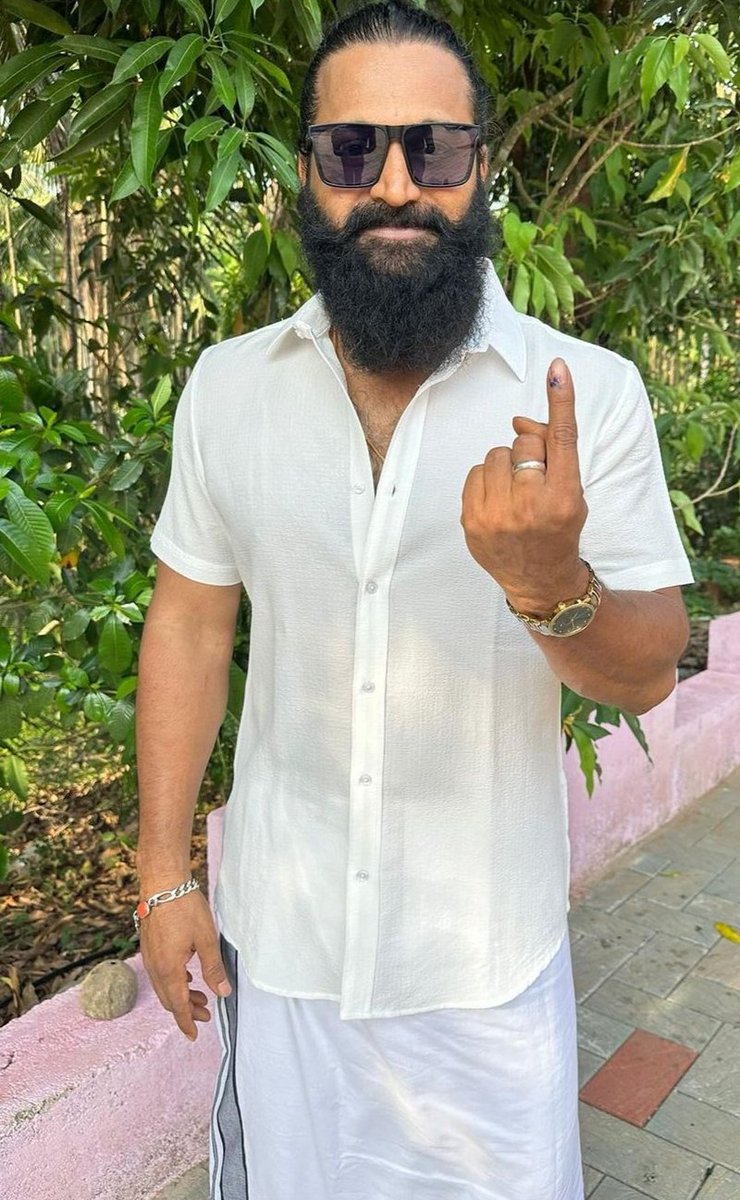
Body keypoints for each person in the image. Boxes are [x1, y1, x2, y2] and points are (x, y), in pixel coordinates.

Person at [134, 3, 694, 1197]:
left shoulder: (586, 397)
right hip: (277, 952)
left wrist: (555, 592)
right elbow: (189, 621)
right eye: (353, 150)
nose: (394, 184)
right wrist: (162, 873)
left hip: (481, 971)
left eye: (432, 149)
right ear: (306, 175)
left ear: (481, 169)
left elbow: (646, 666)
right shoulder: (227, 390)